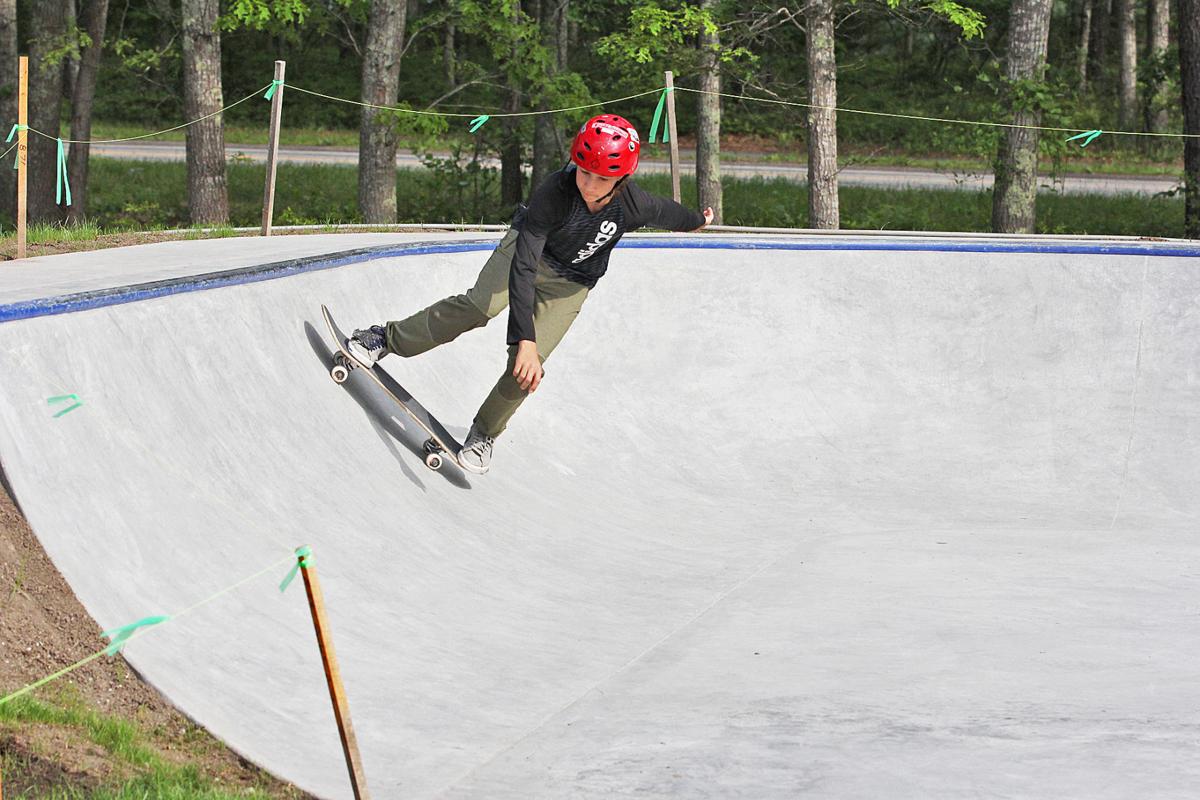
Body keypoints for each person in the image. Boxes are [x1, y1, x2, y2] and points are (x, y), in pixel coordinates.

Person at [347, 113, 714, 474]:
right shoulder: (555, 193)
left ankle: (484, 434)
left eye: (602, 178)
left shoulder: (634, 204)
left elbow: (669, 213)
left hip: (571, 284)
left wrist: (699, 220)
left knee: (529, 367)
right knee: (479, 307)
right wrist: (523, 336)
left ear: (621, 179)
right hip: (526, 256)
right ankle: (384, 338)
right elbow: (523, 268)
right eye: (584, 172)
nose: (589, 185)